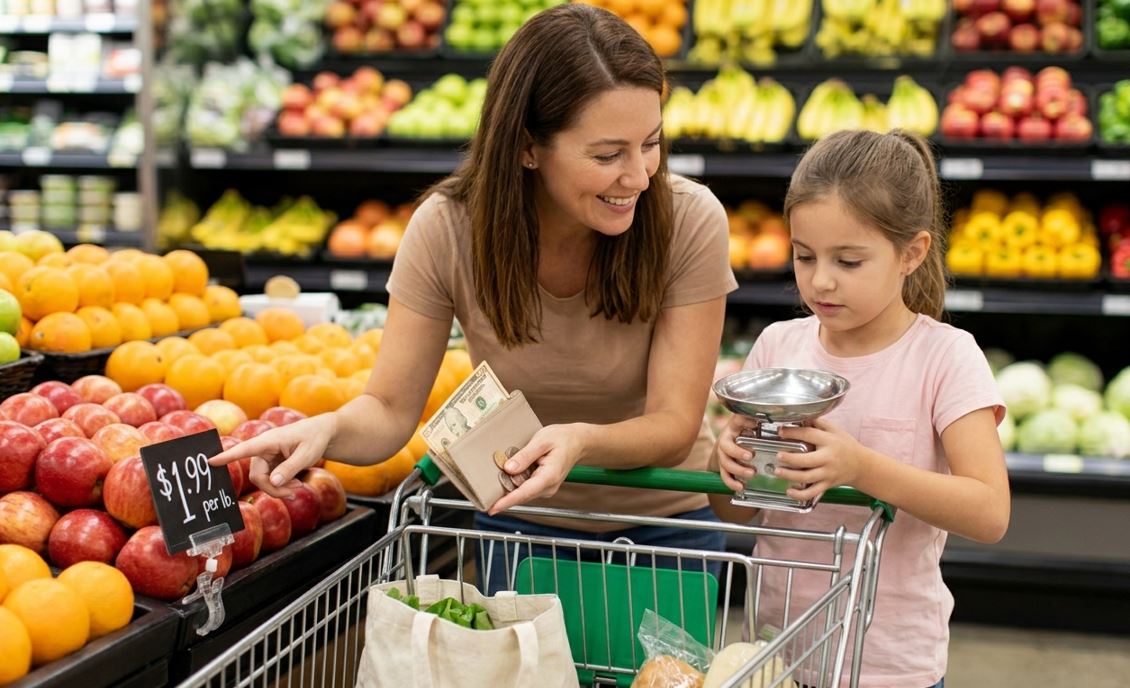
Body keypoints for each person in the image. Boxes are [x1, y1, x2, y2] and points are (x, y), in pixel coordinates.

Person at [211, 4, 736, 592]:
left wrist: (580, 440)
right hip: (519, 527)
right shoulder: (448, 229)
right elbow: (389, 409)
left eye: (651, 143)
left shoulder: (687, 220)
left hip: (665, 527)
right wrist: (325, 432)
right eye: (607, 155)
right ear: (527, 147)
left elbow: (674, 424)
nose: (639, 176)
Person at [709, 130, 1010, 688]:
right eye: (804, 256)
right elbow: (734, 513)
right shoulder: (778, 347)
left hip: (891, 668)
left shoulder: (944, 357)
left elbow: (990, 512)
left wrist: (861, 467)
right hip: (777, 655)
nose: (820, 280)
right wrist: (725, 462)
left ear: (911, 253)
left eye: (848, 261)